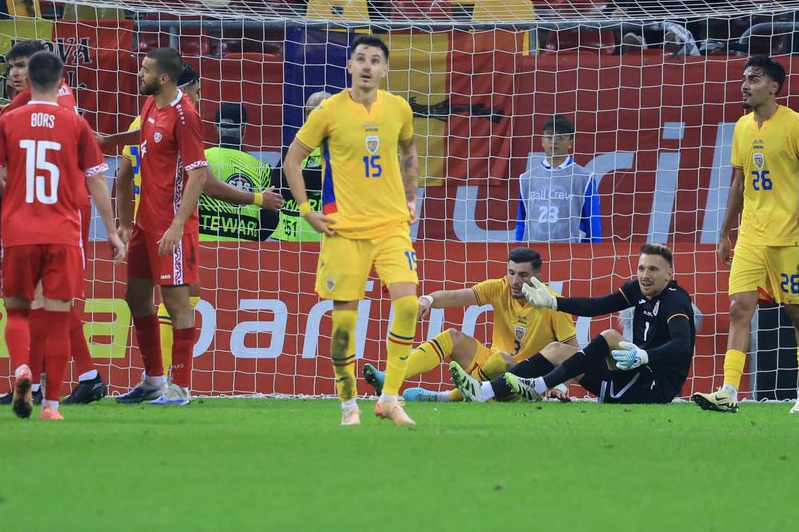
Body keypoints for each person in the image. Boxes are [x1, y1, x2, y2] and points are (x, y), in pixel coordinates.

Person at [283, 35, 422, 427]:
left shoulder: (397, 108)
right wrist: (307, 210)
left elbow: (409, 151)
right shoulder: (328, 110)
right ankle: (348, 404)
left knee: (408, 304)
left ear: (385, 69)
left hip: (392, 224)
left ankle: (390, 398)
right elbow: (293, 159)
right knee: (344, 323)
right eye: (360, 58)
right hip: (344, 229)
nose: (367, 66)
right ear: (349, 65)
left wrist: (411, 199)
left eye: (375, 60)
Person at [118, 67, 284, 390]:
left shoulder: (144, 117)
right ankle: (173, 381)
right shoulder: (181, 119)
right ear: (183, 88)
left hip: (143, 225)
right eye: (196, 90)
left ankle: (157, 378)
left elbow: (122, 178)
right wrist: (257, 198)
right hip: (170, 224)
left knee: (147, 298)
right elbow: (203, 180)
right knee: (180, 300)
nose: (198, 97)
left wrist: (124, 223)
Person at [0, 51, 124, 420]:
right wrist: (112, 230)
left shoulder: (10, 120)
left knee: (18, 311)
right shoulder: (75, 123)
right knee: (58, 315)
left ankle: (23, 372)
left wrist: (12, 186)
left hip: (19, 229)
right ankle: (51, 405)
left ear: (29, 80)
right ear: (62, 80)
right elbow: (96, 179)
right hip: (62, 227)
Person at [693, 57, 799, 414]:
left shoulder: (795, 125)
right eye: (743, 78)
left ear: (773, 86)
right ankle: (728, 391)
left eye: (753, 79)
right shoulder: (740, 127)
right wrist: (725, 232)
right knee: (739, 308)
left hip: (789, 236)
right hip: (751, 235)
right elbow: (739, 182)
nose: (744, 84)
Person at [452, 244, 696, 405]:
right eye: (642, 268)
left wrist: (644, 355)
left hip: (655, 388)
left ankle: (537, 385)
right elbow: (596, 306)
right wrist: (553, 302)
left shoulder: (675, 300)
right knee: (557, 349)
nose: (645, 275)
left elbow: (681, 346)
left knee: (610, 336)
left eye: (653, 269)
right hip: (629, 377)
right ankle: (484, 391)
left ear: (669, 273)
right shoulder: (637, 289)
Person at [115, 48, 210, 407]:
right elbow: (140, 144)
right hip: (145, 224)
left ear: (164, 78)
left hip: (171, 227)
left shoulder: (185, 115)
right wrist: (107, 143)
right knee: (136, 297)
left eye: (145, 70)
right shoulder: (151, 105)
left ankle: (181, 387)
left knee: (176, 302)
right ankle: (154, 380)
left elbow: (198, 173)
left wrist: (176, 225)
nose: (140, 74)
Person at [363, 247, 577, 402]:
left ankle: (445, 397)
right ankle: (390, 377)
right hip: (490, 367)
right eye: (511, 273)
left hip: (527, 384)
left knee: (502, 359)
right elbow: (455, 297)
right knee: (453, 336)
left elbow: (573, 353)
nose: (514, 281)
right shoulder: (499, 288)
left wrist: (559, 385)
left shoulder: (552, 303)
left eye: (522, 275)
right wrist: (427, 299)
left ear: (537, 277)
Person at [515, 115, 602, 244]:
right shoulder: (527, 178)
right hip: (532, 253)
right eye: (549, 136)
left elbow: (593, 223)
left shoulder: (584, 178)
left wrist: (594, 252)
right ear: (542, 141)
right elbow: (521, 221)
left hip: (570, 253)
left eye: (561, 137)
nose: (554, 141)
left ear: (571, 142)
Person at [198, 103, 278, 242]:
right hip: (245, 252)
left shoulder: (201, 159)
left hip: (204, 248)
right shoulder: (261, 169)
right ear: (244, 129)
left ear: (215, 128)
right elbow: (270, 216)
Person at [272, 90, 331, 242]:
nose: (312, 118)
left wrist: (294, 174)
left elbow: (327, 178)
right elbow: (277, 184)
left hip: (320, 240)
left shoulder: (341, 149)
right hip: (284, 239)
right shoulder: (295, 146)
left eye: (318, 113)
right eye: (308, 113)